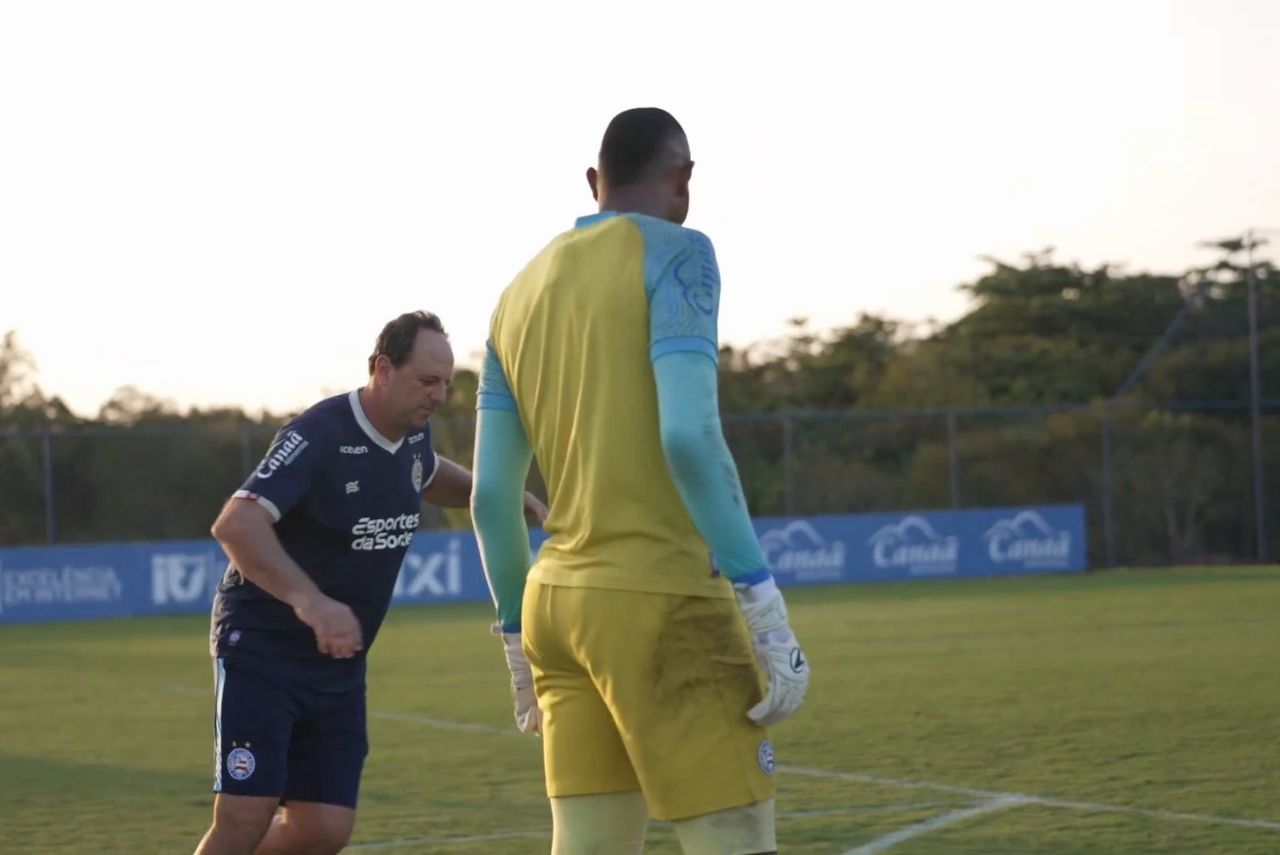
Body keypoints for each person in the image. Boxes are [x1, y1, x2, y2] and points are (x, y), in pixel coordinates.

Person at [470, 108, 810, 855]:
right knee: (735, 837)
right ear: (683, 179)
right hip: (661, 600)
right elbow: (688, 436)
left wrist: (515, 640)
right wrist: (763, 602)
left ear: (595, 183)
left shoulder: (515, 294)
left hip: (556, 610)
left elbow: (492, 499)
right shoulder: (682, 254)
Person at [193, 310, 546, 855]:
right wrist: (310, 601)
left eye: (447, 383)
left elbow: (428, 473)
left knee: (323, 829)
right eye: (427, 381)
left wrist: (496, 495)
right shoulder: (319, 434)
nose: (439, 395)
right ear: (384, 368)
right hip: (263, 650)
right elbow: (235, 524)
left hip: (338, 663)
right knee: (245, 816)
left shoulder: (411, 436)